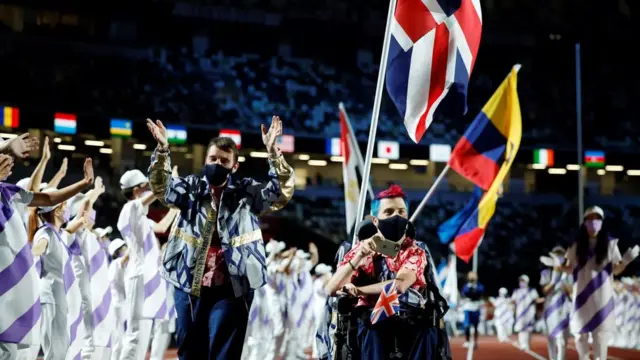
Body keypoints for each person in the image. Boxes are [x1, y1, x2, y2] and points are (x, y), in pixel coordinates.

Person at [147, 116, 295, 359]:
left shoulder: (246, 193)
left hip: (232, 287)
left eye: (224, 161)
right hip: (188, 282)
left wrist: (273, 153)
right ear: (205, 160)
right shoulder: (192, 188)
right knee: (189, 351)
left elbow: (280, 194)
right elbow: (162, 188)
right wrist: (163, 149)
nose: (217, 164)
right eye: (213, 159)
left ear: (234, 167)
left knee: (224, 353)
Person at [324, 185, 438, 359]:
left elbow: (399, 285)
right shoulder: (360, 250)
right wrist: (360, 256)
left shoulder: (415, 251)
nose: (396, 217)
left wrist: (359, 290)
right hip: (370, 321)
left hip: (409, 319)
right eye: (389, 212)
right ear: (375, 220)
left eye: (401, 212)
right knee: (370, 329)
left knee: (423, 330)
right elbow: (331, 289)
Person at [117, 168, 179, 360]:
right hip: (138, 277)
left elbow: (162, 227)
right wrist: (168, 183)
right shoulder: (129, 209)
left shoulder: (142, 218)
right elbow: (156, 193)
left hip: (148, 278)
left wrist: (176, 207)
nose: (149, 190)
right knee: (135, 335)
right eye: (146, 186)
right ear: (136, 190)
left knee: (143, 336)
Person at [562, 206, 639, 360]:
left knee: (601, 337)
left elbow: (616, 270)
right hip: (582, 296)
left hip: (602, 297)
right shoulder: (576, 245)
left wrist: (625, 260)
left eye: (597, 219)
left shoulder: (610, 244)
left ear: (602, 222)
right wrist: (558, 265)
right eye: (590, 219)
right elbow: (569, 268)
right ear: (585, 223)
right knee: (580, 335)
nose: (594, 222)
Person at [539, 246, 571, 360]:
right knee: (551, 336)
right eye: (556, 254)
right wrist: (554, 280)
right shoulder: (546, 272)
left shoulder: (568, 272)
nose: (559, 257)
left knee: (562, 337)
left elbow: (571, 292)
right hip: (550, 306)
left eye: (561, 254)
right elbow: (545, 290)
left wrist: (563, 278)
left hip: (563, 307)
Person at [108, 238, 128, 360]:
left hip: (120, 304)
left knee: (121, 338)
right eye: (124, 247)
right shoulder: (117, 263)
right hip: (118, 305)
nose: (126, 249)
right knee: (118, 339)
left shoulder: (114, 264)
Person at [511, 274, 542, 350]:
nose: (521, 282)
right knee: (521, 328)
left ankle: (527, 343)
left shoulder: (532, 291)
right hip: (520, 312)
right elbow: (513, 301)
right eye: (520, 281)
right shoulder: (517, 291)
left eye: (523, 281)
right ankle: (522, 344)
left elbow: (537, 300)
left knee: (529, 329)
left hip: (530, 312)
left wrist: (545, 299)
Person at [461, 272, 484, 349]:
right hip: (468, 307)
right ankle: (467, 341)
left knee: (476, 326)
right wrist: (471, 290)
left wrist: (474, 290)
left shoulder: (479, 285)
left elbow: (480, 292)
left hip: (476, 307)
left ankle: (475, 341)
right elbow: (464, 293)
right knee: (467, 325)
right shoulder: (466, 285)